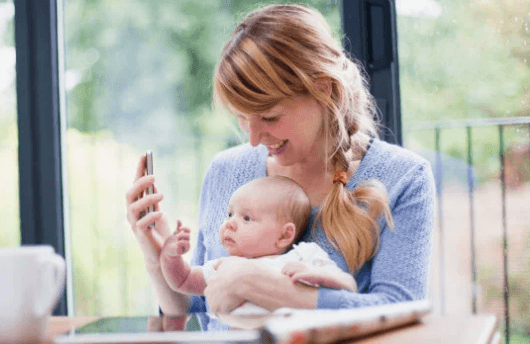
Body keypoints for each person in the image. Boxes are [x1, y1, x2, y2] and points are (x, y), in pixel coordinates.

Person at [125, 3, 435, 331]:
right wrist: (154, 257)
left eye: (270, 117)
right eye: (243, 118)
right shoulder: (227, 170)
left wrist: (262, 285)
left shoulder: (403, 178)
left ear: (322, 88)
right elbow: (198, 303)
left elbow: (401, 310)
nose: (255, 139)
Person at [160, 176, 358, 315]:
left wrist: (317, 275)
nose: (229, 223)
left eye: (247, 218)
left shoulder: (303, 256)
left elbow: (347, 285)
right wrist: (171, 257)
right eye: (230, 214)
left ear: (284, 235)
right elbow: (183, 281)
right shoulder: (226, 267)